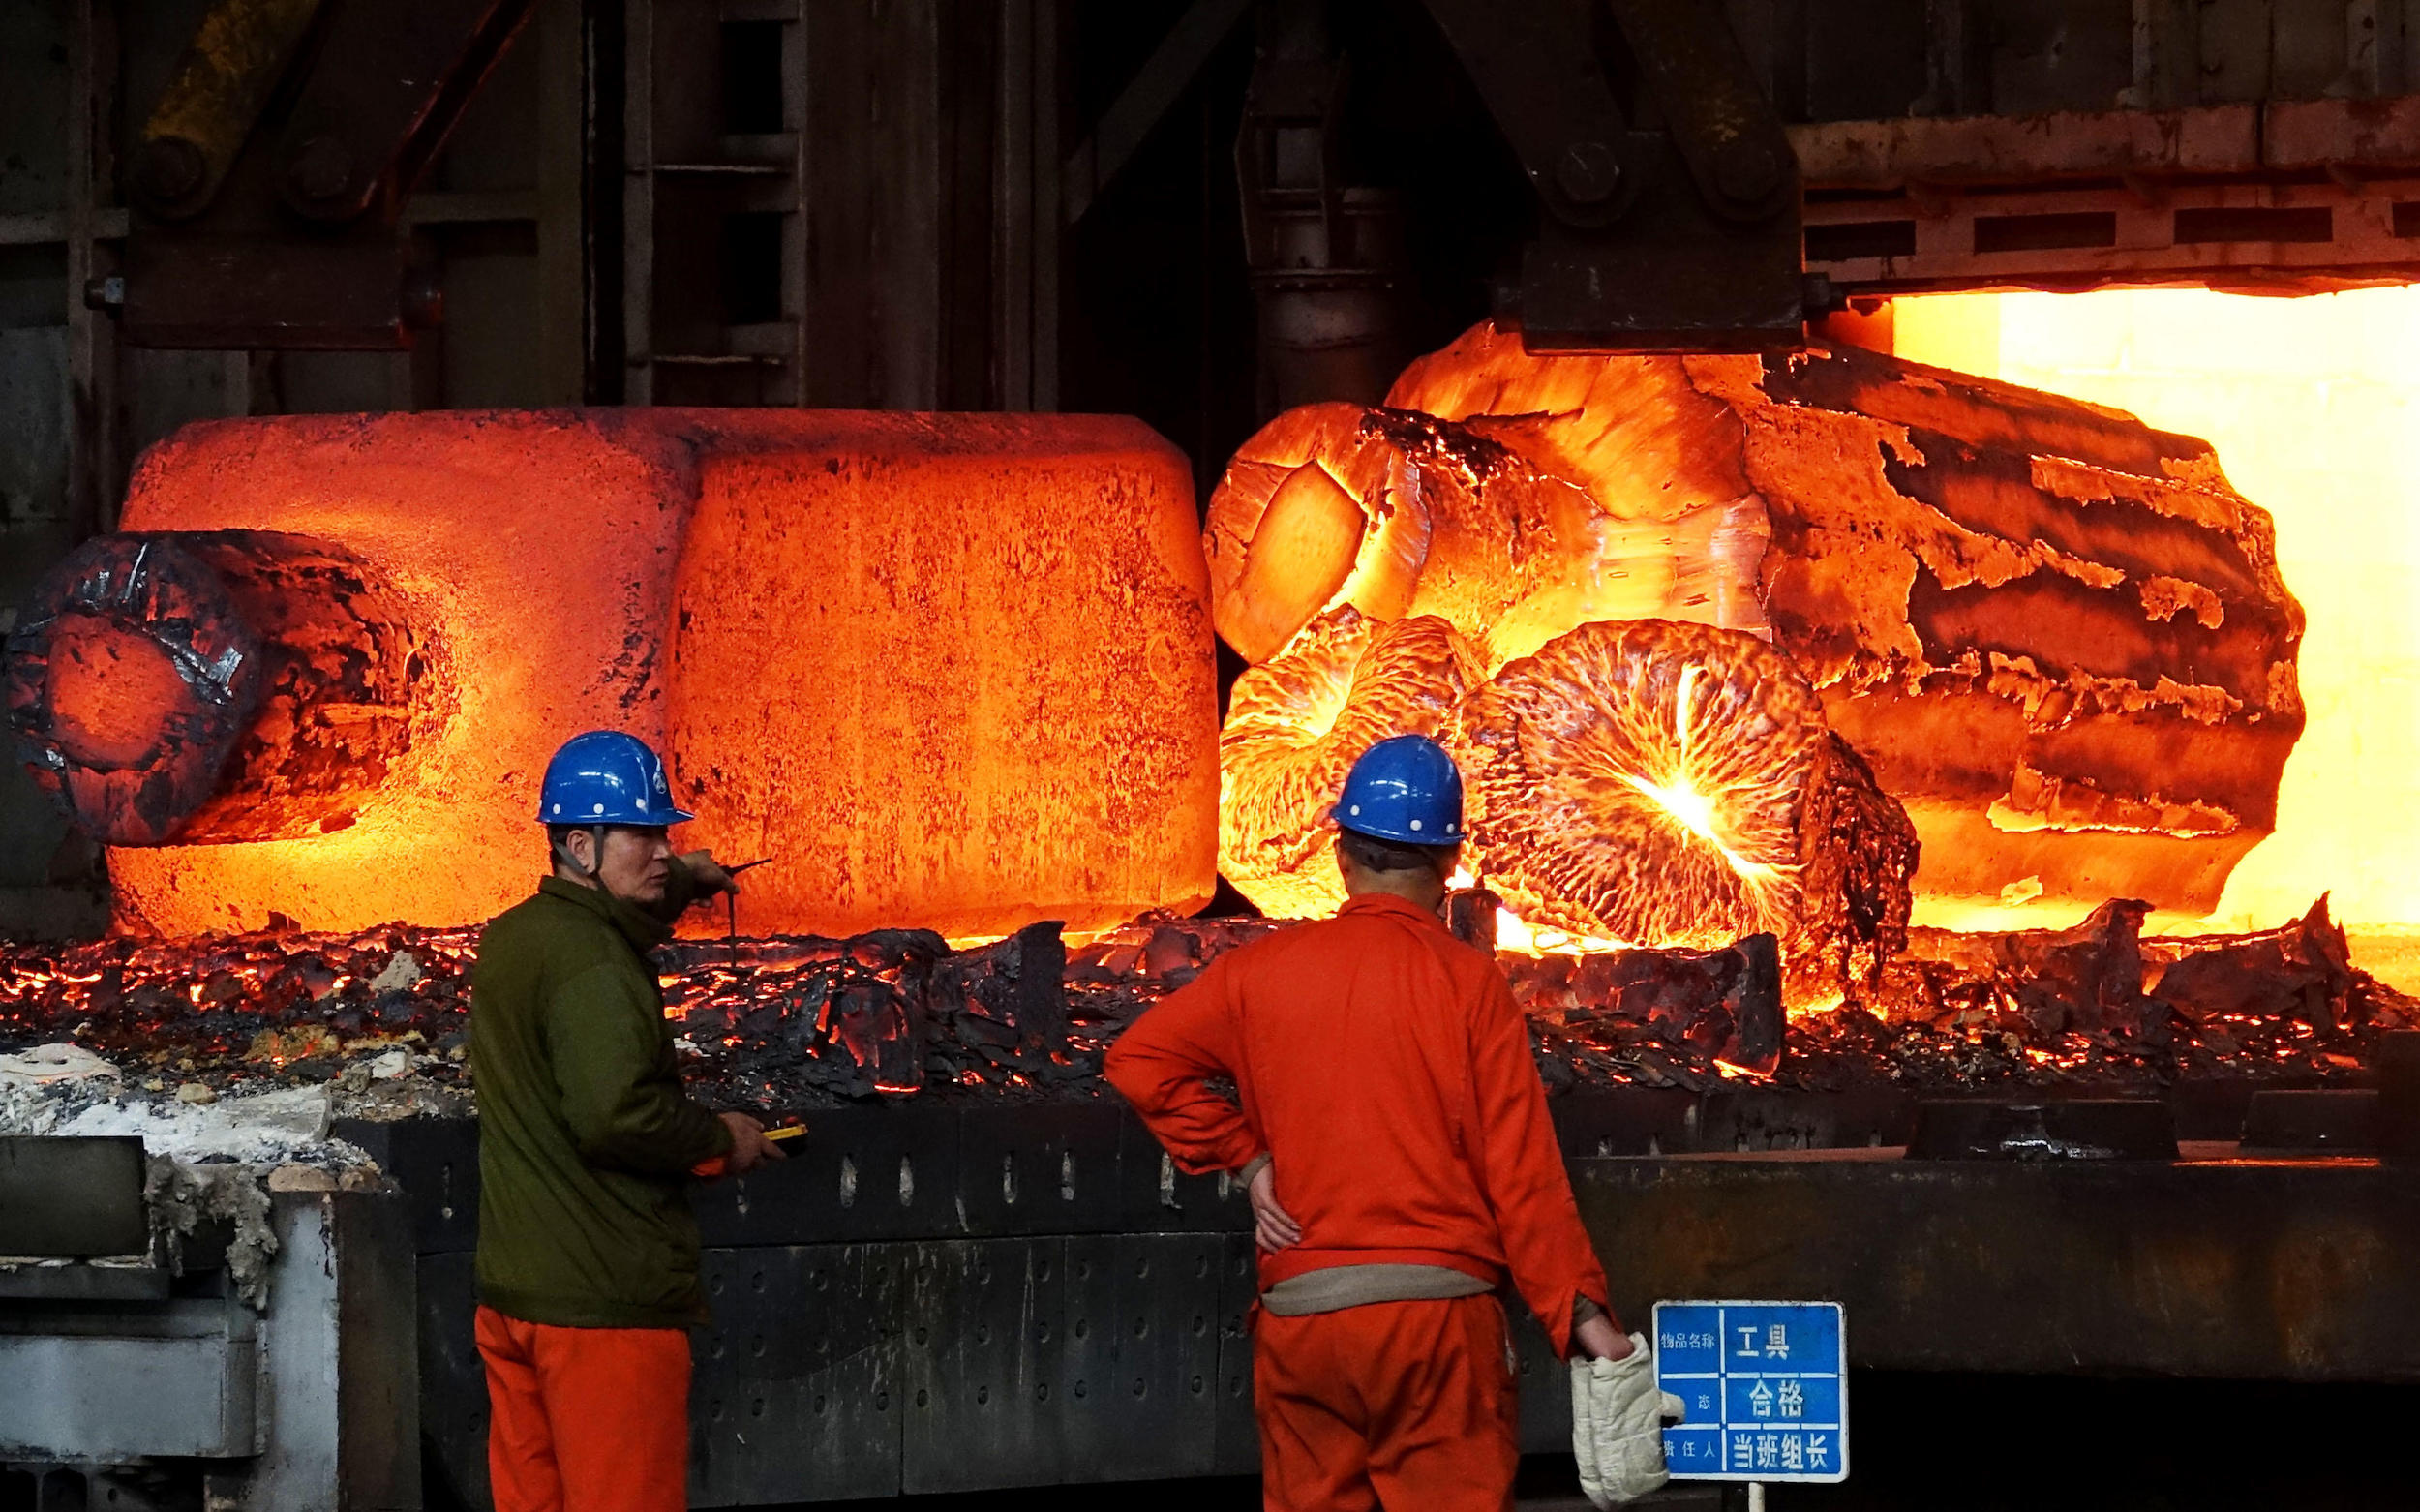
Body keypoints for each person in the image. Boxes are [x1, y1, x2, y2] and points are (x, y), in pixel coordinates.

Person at [1105, 734, 1671, 1512]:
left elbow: (1138, 1060)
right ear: (1449, 867)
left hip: (1303, 1324)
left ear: (1341, 854)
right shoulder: (1471, 987)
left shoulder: (1257, 974)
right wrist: (1585, 1320)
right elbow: (1522, 1173)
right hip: (1437, 1334)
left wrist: (1247, 1160)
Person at [469, 730, 787, 1512]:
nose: (660, 850)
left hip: (515, 1300)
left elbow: (614, 906)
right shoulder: (599, 966)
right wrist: (724, 1141)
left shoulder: (515, 939)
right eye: (642, 834)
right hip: (604, 1312)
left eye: (665, 835)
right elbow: (617, 1116)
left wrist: (687, 880)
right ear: (580, 844)